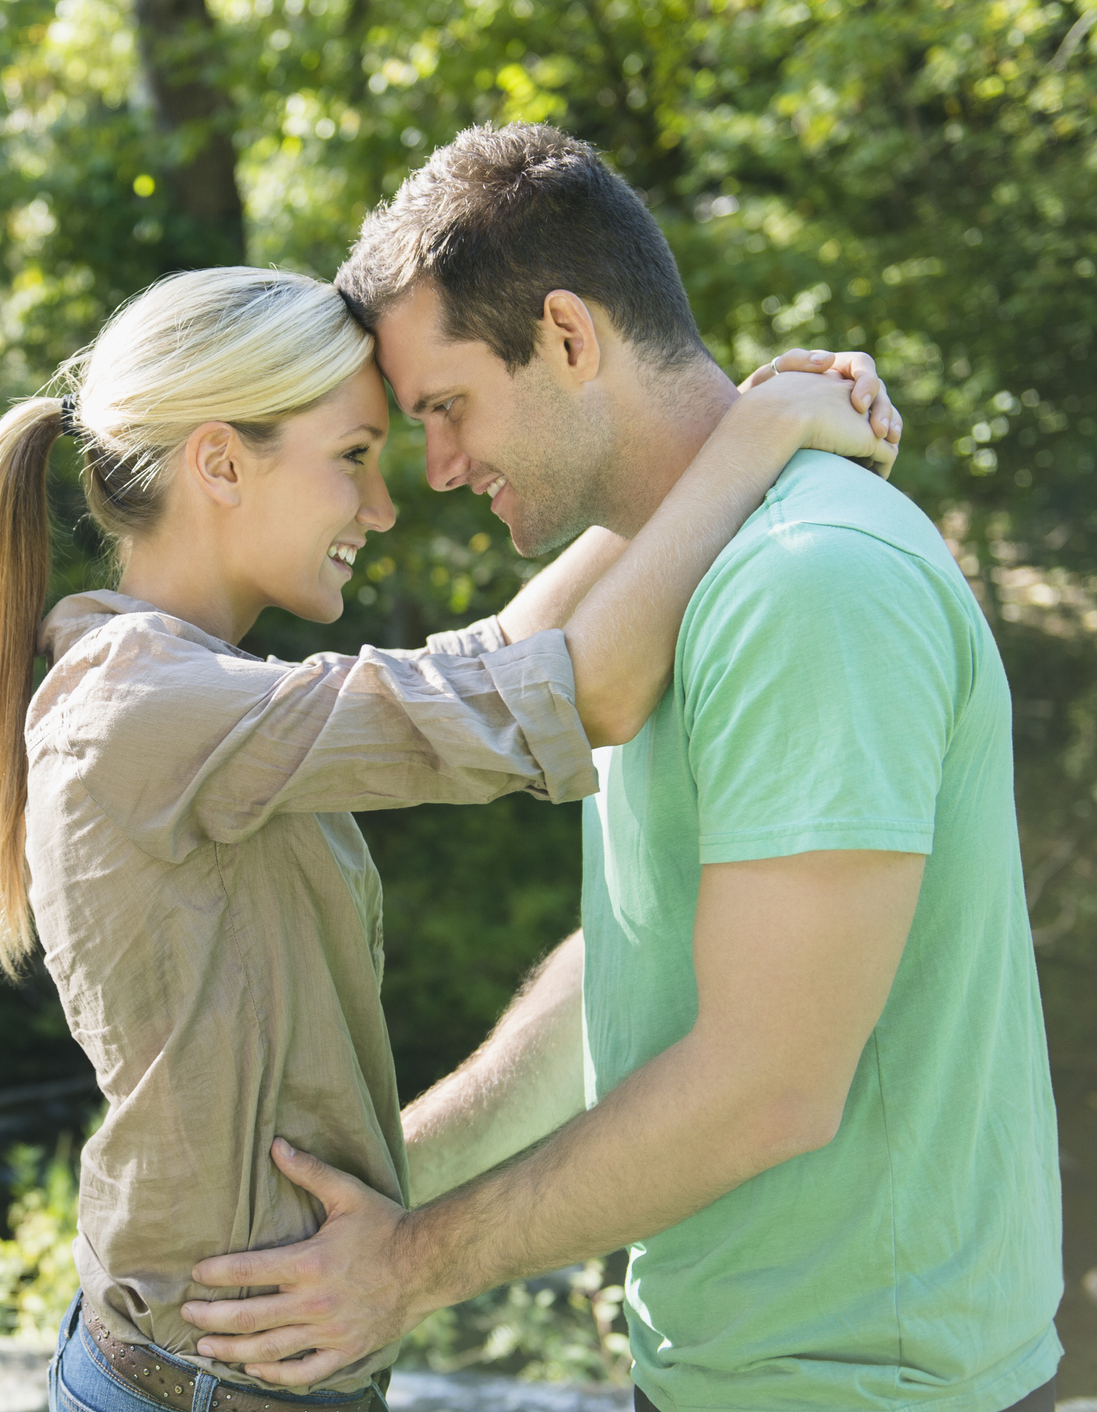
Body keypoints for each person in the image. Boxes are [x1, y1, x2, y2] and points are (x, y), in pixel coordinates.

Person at [180, 125, 1062, 1412]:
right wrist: (379, 1188)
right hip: (723, 1373)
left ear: (569, 336)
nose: (436, 469)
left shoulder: (806, 585)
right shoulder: (683, 579)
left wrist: (406, 1270)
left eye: (445, 407)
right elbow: (647, 957)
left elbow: (764, 1086)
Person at [0, 262, 896, 1412]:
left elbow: (492, 661)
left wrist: (723, 429)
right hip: (207, 1387)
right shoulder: (145, 707)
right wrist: (753, 441)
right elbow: (583, 693)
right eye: (351, 458)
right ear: (220, 462)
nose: (382, 507)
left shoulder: (192, 689)